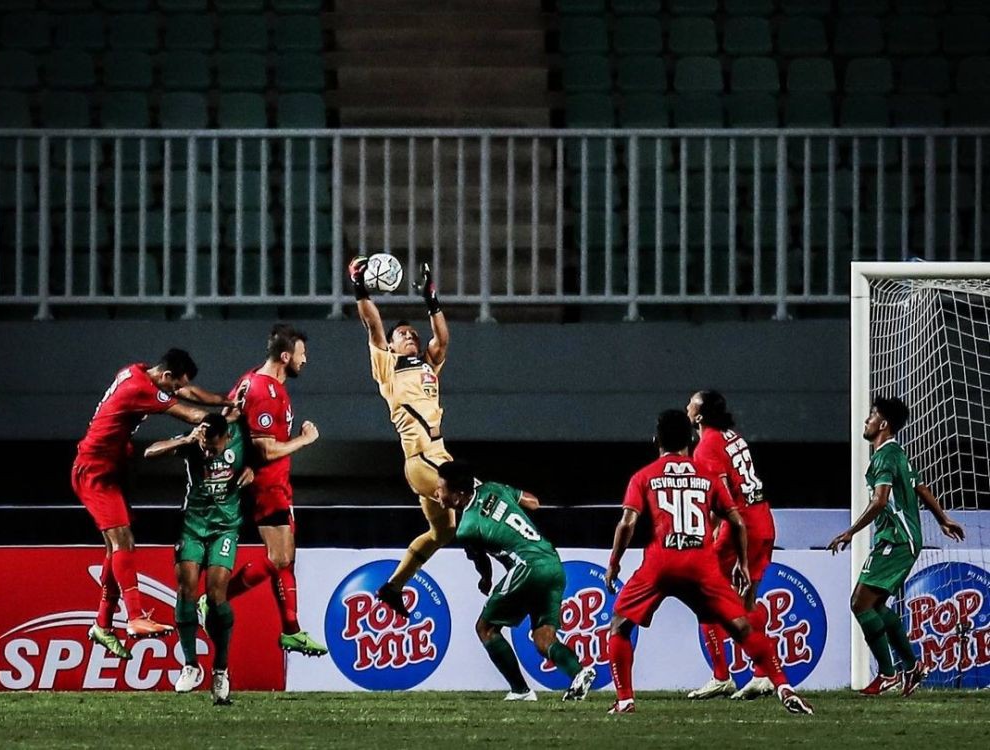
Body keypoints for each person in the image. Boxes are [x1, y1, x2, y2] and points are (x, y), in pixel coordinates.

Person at [603, 409, 814, 716]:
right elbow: (737, 521)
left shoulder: (644, 476)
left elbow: (627, 523)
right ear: (690, 439)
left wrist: (614, 563)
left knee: (619, 626)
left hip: (660, 562)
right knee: (742, 627)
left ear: (656, 441)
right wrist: (742, 563)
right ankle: (784, 687)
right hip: (701, 564)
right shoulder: (706, 476)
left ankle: (625, 701)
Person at [73, 349, 230, 660]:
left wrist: (227, 402)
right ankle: (133, 617)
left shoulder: (138, 370)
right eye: (174, 386)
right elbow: (189, 413)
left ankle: (103, 625)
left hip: (109, 469)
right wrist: (229, 421)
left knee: (114, 548)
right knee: (123, 541)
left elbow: (189, 393)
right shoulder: (140, 388)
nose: (175, 391)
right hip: (95, 470)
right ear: (166, 377)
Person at [827, 395, 965, 696]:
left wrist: (850, 532)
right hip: (900, 538)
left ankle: (889, 674)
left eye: (872, 416)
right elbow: (919, 486)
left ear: (883, 424)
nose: (867, 421)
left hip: (897, 539)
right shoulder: (896, 453)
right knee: (875, 605)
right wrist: (943, 519)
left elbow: (880, 501)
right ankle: (912, 667)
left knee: (859, 603)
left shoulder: (885, 457)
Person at [434, 461, 597, 702]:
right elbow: (533, 502)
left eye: (441, 488)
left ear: (458, 495)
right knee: (544, 638)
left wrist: (485, 580)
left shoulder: (467, 527)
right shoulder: (494, 489)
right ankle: (578, 674)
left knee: (485, 628)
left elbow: (481, 562)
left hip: (528, 567)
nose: (437, 493)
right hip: (552, 563)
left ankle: (521, 691)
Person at [349, 257, 455, 618]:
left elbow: (443, 339)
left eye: (412, 334)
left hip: (438, 456)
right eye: (402, 335)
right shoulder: (387, 367)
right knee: (473, 500)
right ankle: (486, 563)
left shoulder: (428, 363)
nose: (409, 336)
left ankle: (393, 586)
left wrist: (431, 299)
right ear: (392, 346)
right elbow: (373, 324)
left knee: (443, 531)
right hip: (422, 459)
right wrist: (360, 286)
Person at [215, 323, 327, 656]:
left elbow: (229, 419)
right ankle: (216, 598)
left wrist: (240, 459)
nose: (305, 361)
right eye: (302, 355)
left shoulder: (250, 380)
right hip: (268, 485)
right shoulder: (266, 391)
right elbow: (265, 448)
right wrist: (304, 440)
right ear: (285, 356)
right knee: (279, 558)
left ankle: (292, 629)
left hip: (271, 482)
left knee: (286, 561)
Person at [145, 412, 252, 705]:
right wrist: (188, 439)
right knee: (186, 588)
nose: (207, 452)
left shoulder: (240, 437)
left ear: (227, 439)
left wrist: (253, 470)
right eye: (204, 445)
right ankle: (191, 665)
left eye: (213, 448)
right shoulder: (194, 442)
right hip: (191, 525)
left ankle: (221, 670)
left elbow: (265, 457)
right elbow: (149, 451)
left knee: (217, 594)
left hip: (225, 527)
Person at [686, 390, 778, 701]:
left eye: (692, 401)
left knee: (704, 595)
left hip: (740, 527)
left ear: (699, 415)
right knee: (747, 599)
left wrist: (709, 534)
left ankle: (721, 676)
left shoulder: (707, 445)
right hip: (762, 520)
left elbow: (722, 498)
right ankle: (763, 674)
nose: (687, 404)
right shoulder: (731, 436)